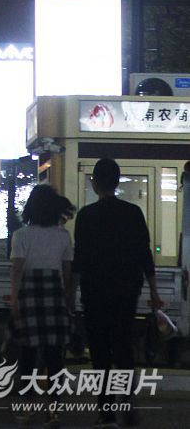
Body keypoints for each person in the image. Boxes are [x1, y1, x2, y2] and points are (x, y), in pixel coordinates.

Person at [72, 158, 162, 427]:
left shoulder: (86, 216)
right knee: (123, 349)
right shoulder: (133, 213)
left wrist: (69, 294)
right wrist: (154, 291)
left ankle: (106, 412)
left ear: (94, 183)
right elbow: (145, 255)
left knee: (100, 352)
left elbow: (79, 260)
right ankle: (128, 406)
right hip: (125, 292)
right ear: (117, 181)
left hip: (94, 293)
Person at [10, 184, 75, 427]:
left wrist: (14, 301)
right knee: (54, 357)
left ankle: (26, 407)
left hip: (29, 295)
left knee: (28, 354)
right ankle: (54, 410)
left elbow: (17, 271)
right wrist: (68, 302)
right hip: (55, 295)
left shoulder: (21, 235)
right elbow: (67, 274)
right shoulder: (63, 236)